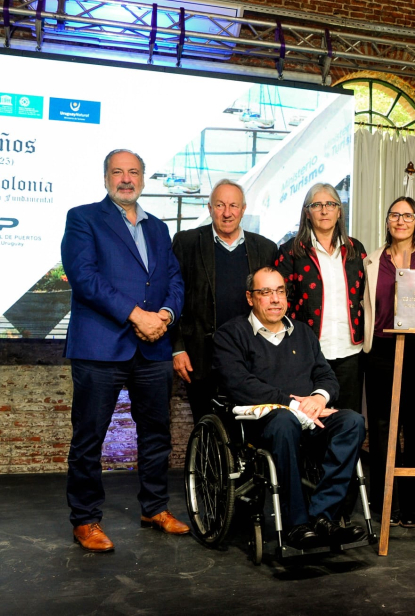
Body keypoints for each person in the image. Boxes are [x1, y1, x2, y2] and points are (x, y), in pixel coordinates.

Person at [61, 149, 189, 552]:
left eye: (133, 172)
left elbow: (174, 280)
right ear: (105, 178)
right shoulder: (83, 218)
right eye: (118, 172)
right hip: (101, 347)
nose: (126, 179)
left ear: (144, 179)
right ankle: (85, 520)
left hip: (153, 349)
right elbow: (84, 278)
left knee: (156, 435)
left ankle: (154, 507)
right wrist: (138, 315)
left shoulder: (158, 228)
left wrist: (165, 316)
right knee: (89, 437)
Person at [212, 267, 367, 549]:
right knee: (285, 422)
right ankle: (296, 524)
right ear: (250, 298)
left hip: (311, 419)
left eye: (280, 291)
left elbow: (326, 377)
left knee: (352, 421)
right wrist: (294, 404)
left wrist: (319, 399)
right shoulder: (231, 335)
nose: (275, 299)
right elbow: (240, 384)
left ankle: (323, 515)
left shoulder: (303, 333)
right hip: (261, 425)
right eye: (266, 292)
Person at [170, 179, 278, 422]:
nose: (227, 213)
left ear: (243, 209)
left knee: (253, 430)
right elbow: (172, 298)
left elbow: (275, 304)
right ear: (209, 208)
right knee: (207, 429)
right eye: (220, 205)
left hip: (252, 359)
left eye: (233, 206)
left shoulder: (265, 249)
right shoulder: (186, 244)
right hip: (200, 359)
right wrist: (178, 348)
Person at [363, 197, 415, 528]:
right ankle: (384, 502)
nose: (401, 220)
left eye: (407, 215)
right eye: (395, 214)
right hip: (380, 350)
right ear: (388, 220)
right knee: (380, 429)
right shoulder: (372, 260)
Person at [276, 183, 367, 413]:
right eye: (317, 205)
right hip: (308, 354)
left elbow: (367, 297)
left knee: (348, 420)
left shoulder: (356, 250)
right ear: (307, 212)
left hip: (350, 352)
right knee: (310, 422)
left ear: (339, 211)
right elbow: (278, 305)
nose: (324, 210)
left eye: (330, 204)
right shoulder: (291, 251)